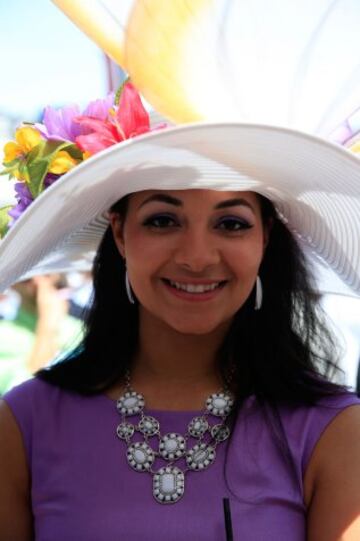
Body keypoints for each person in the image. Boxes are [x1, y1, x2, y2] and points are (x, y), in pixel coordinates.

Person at [0, 79, 360, 540]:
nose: (197, 256)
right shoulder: (24, 424)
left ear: (264, 238)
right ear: (120, 233)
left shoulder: (332, 433)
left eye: (230, 223)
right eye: (163, 220)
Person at [0, 274, 83, 395]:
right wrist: (47, 326)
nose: (38, 280)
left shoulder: (81, 328)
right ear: (13, 283)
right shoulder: (4, 335)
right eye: (27, 277)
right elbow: (17, 396)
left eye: (47, 274)